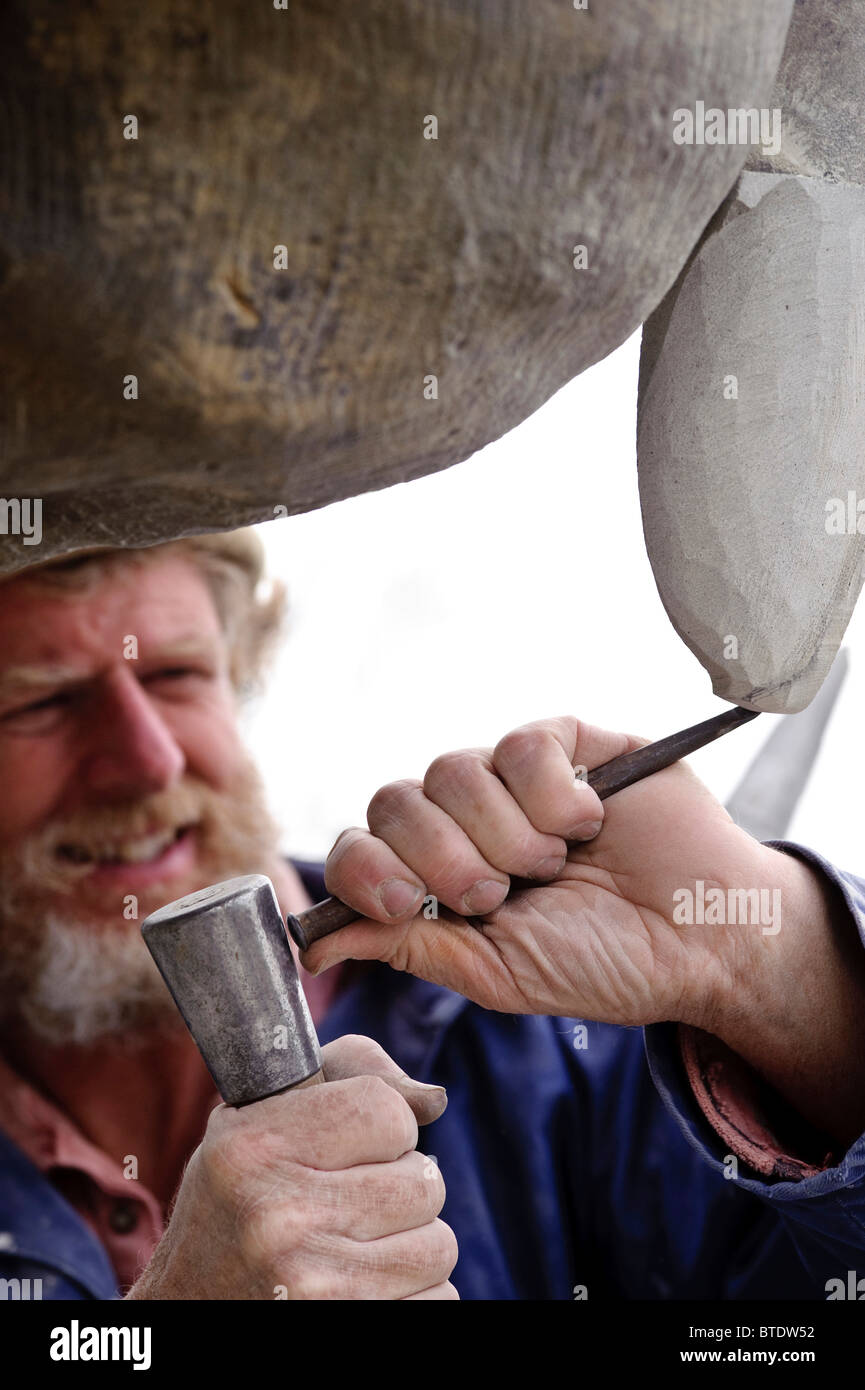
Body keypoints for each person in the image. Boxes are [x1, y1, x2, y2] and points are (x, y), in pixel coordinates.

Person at [0, 530, 863, 1301]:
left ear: (243, 667)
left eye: (174, 675)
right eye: (40, 703)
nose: (145, 762)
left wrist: (765, 962)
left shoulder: (568, 1044)